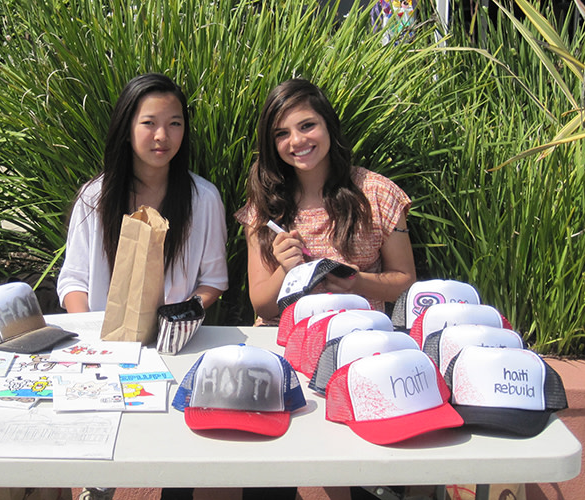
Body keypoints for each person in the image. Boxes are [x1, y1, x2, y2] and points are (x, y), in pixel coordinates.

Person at [57, 73, 229, 500]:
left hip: (176, 348)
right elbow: (73, 279)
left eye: (174, 123)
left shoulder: (203, 199)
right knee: (102, 455)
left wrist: (185, 313)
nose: (162, 135)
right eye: (149, 122)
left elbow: (214, 281)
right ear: (126, 126)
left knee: (178, 449)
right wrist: (96, 331)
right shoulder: (95, 198)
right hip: (104, 349)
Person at [236, 78, 416, 325]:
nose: (297, 140)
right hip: (285, 340)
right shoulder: (264, 204)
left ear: (329, 125)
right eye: (282, 134)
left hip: (359, 335)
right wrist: (285, 270)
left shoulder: (377, 193)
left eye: (307, 126)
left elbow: (405, 283)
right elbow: (263, 307)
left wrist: (357, 282)